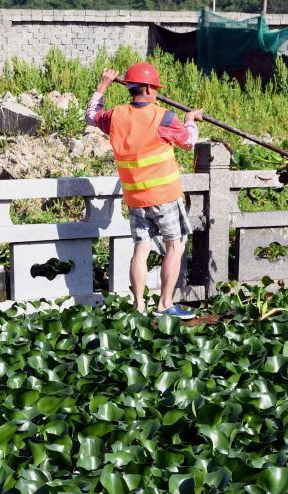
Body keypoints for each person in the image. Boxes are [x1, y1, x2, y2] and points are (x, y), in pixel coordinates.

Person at [86, 63, 202, 319]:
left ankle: (139, 307)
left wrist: (102, 86)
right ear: (149, 88)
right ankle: (164, 304)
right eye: (156, 88)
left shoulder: (116, 115)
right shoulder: (164, 117)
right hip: (165, 196)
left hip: (136, 198)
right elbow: (188, 143)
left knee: (141, 249)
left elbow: (91, 116)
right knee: (176, 245)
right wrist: (190, 120)